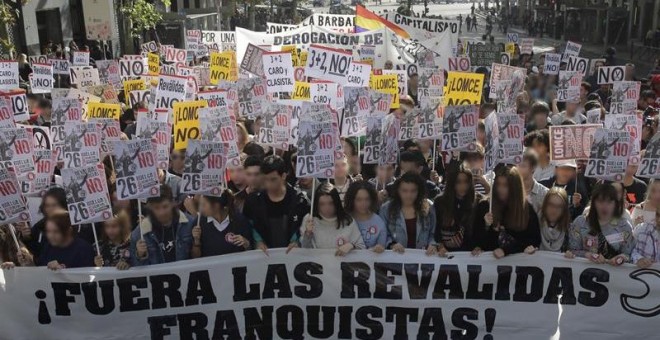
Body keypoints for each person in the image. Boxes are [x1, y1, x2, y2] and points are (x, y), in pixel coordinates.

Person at [243, 155, 309, 252]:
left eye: (273, 179)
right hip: (264, 258)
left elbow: (303, 227)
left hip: (291, 257)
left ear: (283, 176)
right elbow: (249, 225)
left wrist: (297, 241)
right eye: (265, 179)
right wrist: (258, 241)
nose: (268, 184)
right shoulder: (253, 200)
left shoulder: (299, 200)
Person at [472, 166, 541, 258]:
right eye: (498, 184)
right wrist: (486, 226)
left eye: (505, 185)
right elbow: (477, 240)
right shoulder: (485, 206)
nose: (500, 189)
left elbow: (533, 241)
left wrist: (507, 250)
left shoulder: (526, 209)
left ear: (515, 188)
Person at [567, 183, 635, 265]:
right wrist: (587, 255)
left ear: (616, 203)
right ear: (593, 203)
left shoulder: (624, 226)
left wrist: (621, 258)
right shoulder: (580, 222)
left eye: (609, 202)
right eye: (600, 201)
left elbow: (629, 254)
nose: (604, 206)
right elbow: (571, 250)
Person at [130, 185, 195, 266]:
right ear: (150, 207)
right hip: (158, 278)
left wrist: (197, 242)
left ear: (172, 203)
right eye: (156, 208)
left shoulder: (190, 223)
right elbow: (136, 268)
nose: (162, 212)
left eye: (165, 207)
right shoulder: (139, 233)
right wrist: (140, 255)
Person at [298, 183, 365, 256]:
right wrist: (307, 234)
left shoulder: (348, 220)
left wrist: (351, 245)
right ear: (317, 204)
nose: (327, 208)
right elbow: (304, 251)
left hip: (342, 265)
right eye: (322, 204)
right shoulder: (309, 219)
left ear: (336, 202)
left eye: (331, 203)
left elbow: (362, 247)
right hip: (317, 266)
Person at [379, 172, 437, 253]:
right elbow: (382, 234)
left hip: (423, 261)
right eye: (404, 191)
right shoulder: (386, 209)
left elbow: (433, 233)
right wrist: (392, 245)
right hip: (394, 261)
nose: (409, 195)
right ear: (398, 190)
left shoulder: (429, 206)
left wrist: (432, 245)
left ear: (419, 191)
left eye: (413, 191)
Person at [433, 165, 480, 254]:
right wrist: (440, 245)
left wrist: (478, 247)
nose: (463, 186)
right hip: (443, 254)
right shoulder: (440, 202)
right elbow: (436, 228)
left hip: (469, 255)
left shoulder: (478, 203)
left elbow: (478, 232)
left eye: (466, 182)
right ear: (452, 183)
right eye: (458, 182)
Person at [192, 190, 252, 257]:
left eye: (204, 205)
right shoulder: (199, 223)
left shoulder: (240, 221)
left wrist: (246, 243)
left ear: (216, 205)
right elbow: (195, 257)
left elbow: (251, 250)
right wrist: (196, 241)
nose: (201, 209)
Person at [23, 187, 67, 258]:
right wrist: (27, 238)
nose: (50, 209)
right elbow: (35, 253)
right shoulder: (39, 227)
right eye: (47, 205)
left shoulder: (75, 227)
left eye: (54, 205)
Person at [344, 181, 388, 252]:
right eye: (359, 199)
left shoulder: (379, 222)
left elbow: (382, 247)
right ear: (351, 200)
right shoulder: (344, 220)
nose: (363, 203)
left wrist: (379, 248)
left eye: (367, 199)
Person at [536, 187, 571, 252]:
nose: (554, 210)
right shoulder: (534, 224)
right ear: (545, 205)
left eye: (559, 207)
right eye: (551, 205)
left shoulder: (569, 230)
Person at [518, 149, 549, 216]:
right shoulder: (511, 191)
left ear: (533, 168)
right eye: (517, 165)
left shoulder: (545, 193)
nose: (518, 169)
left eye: (523, 166)